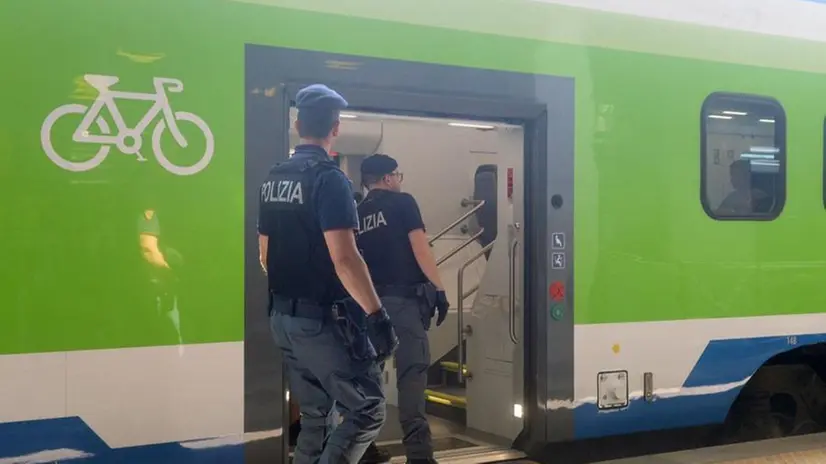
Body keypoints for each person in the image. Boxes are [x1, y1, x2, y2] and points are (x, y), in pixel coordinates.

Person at [258, 84, 398, 464]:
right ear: (335, 128)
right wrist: (376, 315)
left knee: (316, 415)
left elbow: (265, 254)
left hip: (282, 319)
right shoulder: (329, 179)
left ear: (298, 123)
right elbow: (345, 259)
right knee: (367, 409)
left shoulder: (274, 178)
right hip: (319, 322)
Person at [355, 154, 449, 464]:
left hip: (369, 307)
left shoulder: (358, 212)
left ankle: (363, 449)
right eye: (397, 175)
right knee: (411, 377)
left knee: (370, 377)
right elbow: (420, 248)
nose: (399, 180)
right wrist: (439, 289)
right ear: (386, 178)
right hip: (404, 305)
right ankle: (420, 456)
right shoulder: (403, 203)